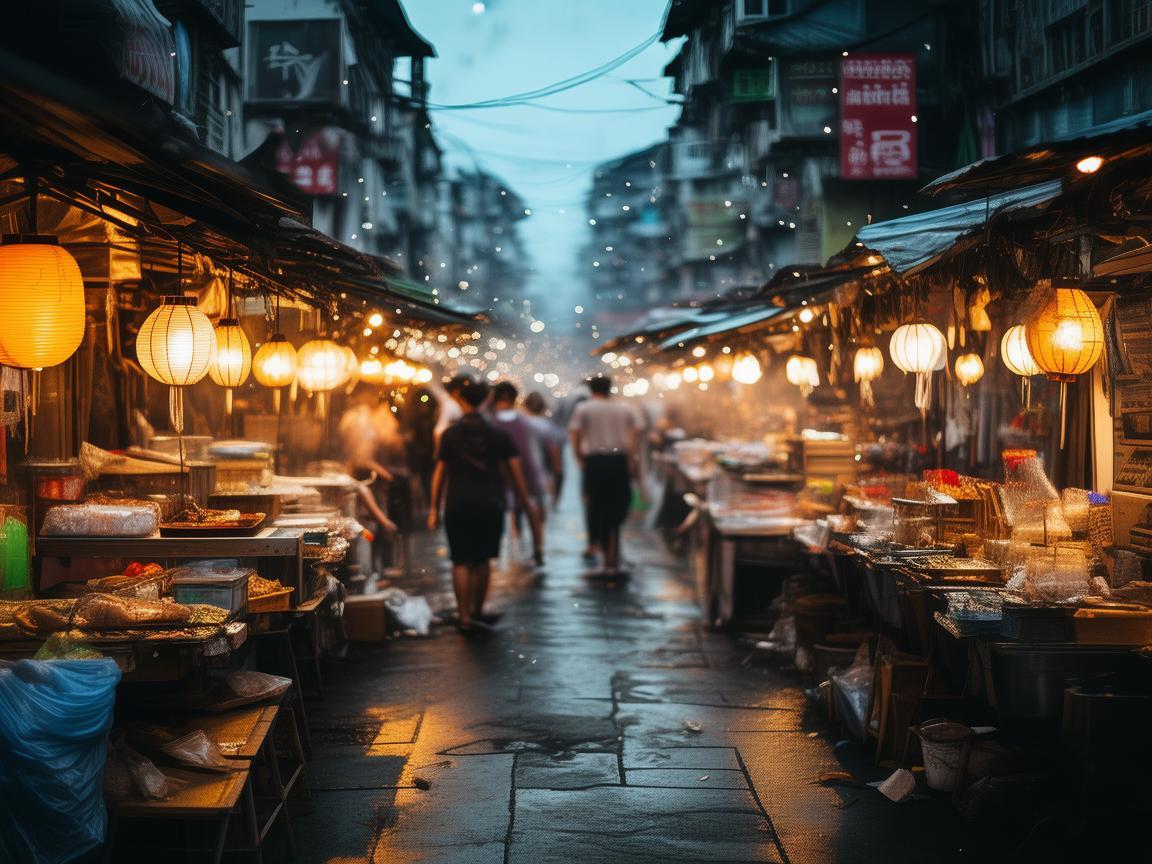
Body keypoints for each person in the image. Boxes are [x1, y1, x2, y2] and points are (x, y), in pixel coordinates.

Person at [428, 378, 536, 634]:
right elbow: (515, 472)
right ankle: (477, 611)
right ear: (485, 400)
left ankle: (464, 617)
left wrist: (433, 508)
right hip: (491, 503)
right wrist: (524, 501)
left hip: (458, 504)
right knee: (483, 560)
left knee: (460, 561)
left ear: (461, 399)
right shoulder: (498, 434)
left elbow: (440, 474)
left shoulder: (450, 435)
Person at [568, 374, 638, 575]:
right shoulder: (623, 409)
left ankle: (606, 558)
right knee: (617, 507)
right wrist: (631, 462)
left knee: (598, 507)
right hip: (618, 462)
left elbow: (575, 435)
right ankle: (612, 558)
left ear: (591, 389)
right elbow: (632, 439)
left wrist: (579, 459)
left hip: (595, 463)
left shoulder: (583, 408)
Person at [489, 381, 546, 566]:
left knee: (512, 510)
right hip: (528, 471)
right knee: (529, 508)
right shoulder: (524, 420)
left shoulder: (494, 421)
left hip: (503, 473)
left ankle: (511, 549)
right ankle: (537, 549)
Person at [524, 391, 565, 510]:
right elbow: (554, 450)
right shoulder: (548, 426)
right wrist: (558, 470)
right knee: (539, 506)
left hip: (524, 471)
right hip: (542, 473)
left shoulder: (522, 423)